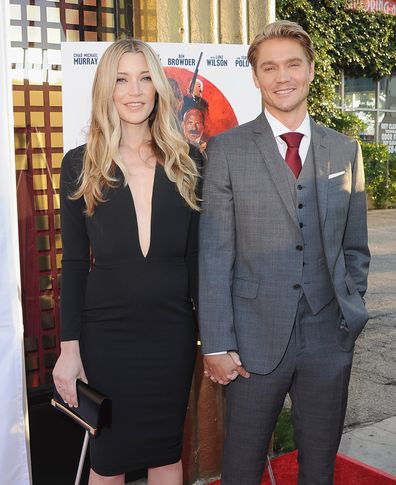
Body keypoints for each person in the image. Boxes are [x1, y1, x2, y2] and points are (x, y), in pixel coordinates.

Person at [199, 20, 370, 485]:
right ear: (255, 77)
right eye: (269, 67)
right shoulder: (228, 150)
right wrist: (217, 341)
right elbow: (215, 251)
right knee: (241, 465)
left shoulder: (344, 149)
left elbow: (355, 246)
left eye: (293, 64)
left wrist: (349, 315)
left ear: (312, 70)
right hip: (252, 341)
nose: (283, 76)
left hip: (327, 336)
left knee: (319, 465)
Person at [52, 38, 201, 485]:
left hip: (171, 334)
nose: (133, 90)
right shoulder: (80, 164)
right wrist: (69, 349)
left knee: (166, 453)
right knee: (108, 459)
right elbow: (75, 264)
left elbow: (197, 259)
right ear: (106, 89)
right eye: (121, 79)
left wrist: (213, 336)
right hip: (106, 337)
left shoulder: (189, 162)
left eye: (143, 78)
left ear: (158, 88)